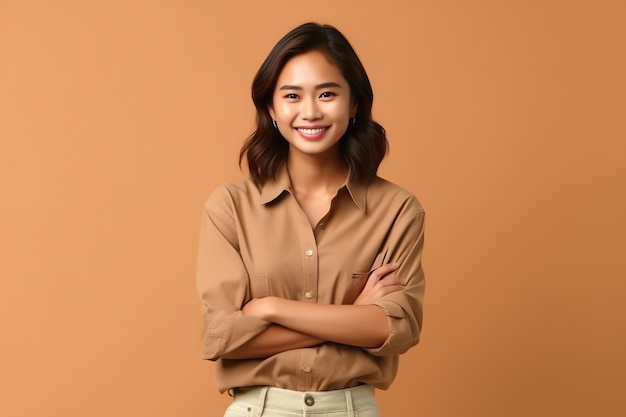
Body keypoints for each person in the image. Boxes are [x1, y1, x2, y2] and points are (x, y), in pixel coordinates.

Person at [197, 22, 425, 417]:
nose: (310, 111)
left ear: (354, 103)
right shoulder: (230, 206)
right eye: (291, 95)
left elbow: (395, 330)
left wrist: (268, 308)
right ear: (271, 107)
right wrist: (354, 315)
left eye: (326, 93)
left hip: (351, 409)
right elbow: (221, 338)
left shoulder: (397, 209)